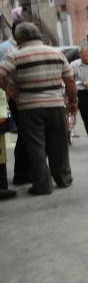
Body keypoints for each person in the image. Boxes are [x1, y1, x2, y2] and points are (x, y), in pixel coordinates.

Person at [0, 22, 77, 196]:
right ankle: (64, 178)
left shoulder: (16, 56)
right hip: (56, 105)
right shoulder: (57, 54)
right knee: (59, 144)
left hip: (29, 107)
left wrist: (8, 88)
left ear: (21, 38)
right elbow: (70, 81)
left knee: (36, 146)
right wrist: (73, 102)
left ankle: (42, 185)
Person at [0, 19, 30, 182]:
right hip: (16, 96)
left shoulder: (26, 47)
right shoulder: (5, 48)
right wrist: (7, 89)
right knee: (25, 133)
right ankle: (21, 172)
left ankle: (27, 170)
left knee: (29, 133)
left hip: (29, 96)